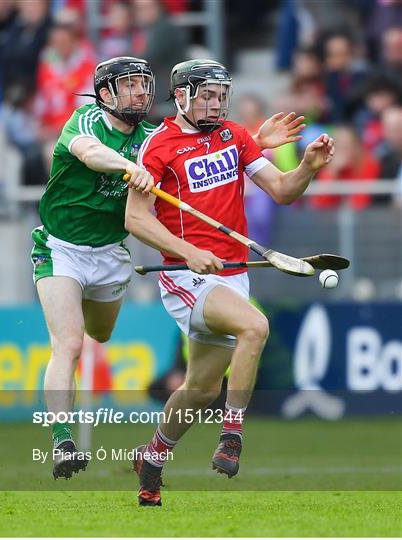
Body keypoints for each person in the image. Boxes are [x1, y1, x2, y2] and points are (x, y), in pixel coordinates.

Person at [125, 59, 335, 506]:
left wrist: (307, 168)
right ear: (180, 96)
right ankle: (232, 434)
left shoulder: (235, 137)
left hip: (233, 276)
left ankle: (152, 458)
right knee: (255, 327)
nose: (216, 103)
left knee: (199, 389)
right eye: (206, 94)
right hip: (189, 277)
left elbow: (281, 189)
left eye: (221, 95)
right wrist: (188, 252)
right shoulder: (158, 147)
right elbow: (136, 218)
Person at [30, 56, 156, 480]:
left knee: (100, 333)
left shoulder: (151, 137)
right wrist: (128, 166)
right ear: (105, 94)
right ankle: (62, 440)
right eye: (131, 85)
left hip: (110, 255)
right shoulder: (86, 121)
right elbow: (90, 153)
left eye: (144, 84)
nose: (141, 92)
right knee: (69, 344)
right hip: (60, 249)